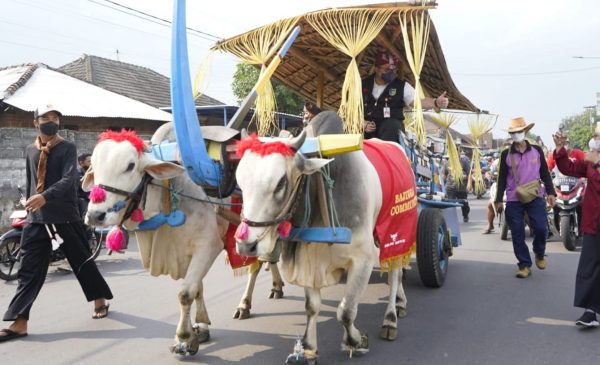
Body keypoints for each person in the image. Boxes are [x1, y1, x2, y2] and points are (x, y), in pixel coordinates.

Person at [0, 104, 113, 343]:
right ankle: (19, 323)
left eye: (55, 118)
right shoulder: (30, 149)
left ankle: (99, 298)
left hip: (65, 216)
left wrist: (45, 197)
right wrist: (31, 205)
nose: (51, 121)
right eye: (46, 117)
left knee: (82, 262)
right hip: (36, 220)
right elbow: (32, 182)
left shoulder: (67, 147)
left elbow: (69, 178)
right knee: (28, 271)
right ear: (35, 123)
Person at [494, 117, 555, 278]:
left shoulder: (536, 150)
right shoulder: (506, 154)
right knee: (517, 233)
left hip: (535, 196)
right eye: (513, 132)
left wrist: (551, 192)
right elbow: (501, 178)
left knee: (542, 228)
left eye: (519, 131)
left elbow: (545, 173)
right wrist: (498, 200)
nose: (516, 135)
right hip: (514, 198)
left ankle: (539, 252)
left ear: (525, 132)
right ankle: (524, 265)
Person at [553, 129, 600, 327]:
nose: (596, 138)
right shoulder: (591, 160)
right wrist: (559, 149)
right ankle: (591, 311)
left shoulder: (595, 160)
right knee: (590, 265)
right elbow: (568, 169)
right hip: (594, 221)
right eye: (597, 136)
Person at [362, 52, 449, 142]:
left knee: (391, 125)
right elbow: (349, 109)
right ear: (376, 68)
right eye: (387, 70)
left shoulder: (402, 86)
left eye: (392, 70)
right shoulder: (362, 84)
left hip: (391, 133)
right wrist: (362, 123)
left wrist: (435, 102)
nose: (390, 73)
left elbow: (417, 101)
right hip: (367, 131)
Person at [445, 150, 471, 222]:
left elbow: (469, 173)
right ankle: (451, 218)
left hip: (461, 187)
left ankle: (465, 215)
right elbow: (444, 174)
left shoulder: (464, 161)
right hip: (450, 187)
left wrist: (469, 184)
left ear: (459, 153)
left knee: (464, 202)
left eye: (457, 153)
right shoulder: (448, 162)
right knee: (450, 203)